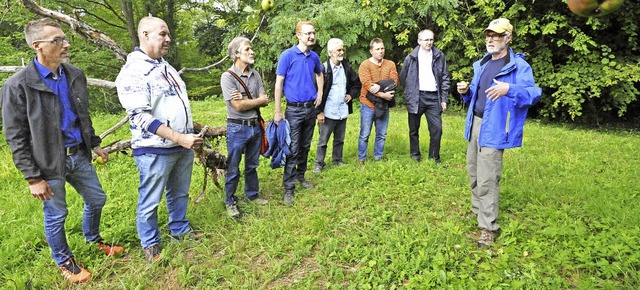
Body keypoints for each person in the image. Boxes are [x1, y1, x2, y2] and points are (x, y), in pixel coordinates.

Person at [1, 18, 124, 283]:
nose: (66, 44)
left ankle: (93, 239)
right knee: (57, 214)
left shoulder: (74, 74)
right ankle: (65, 260)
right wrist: (33, 178)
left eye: (65, 39)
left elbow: (82, 114)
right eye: (57, 40)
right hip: (47, 162)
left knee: (97, 199)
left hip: (78, 154)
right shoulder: (17, 85)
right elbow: (15, 135)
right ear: (37, 46)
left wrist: (94, 143)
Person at [116, 16, 203, 262]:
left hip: (182, 145)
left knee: (179, 193)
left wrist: (186, 136)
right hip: (154, 149)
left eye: (168, 34)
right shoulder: (134, 71)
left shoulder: (166, 66)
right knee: (150, 199)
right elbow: (139, 117)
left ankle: (180, 229)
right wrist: (179, 137)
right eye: (163, 34)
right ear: (144, 35)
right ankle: (150, 243)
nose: (169, 39)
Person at [457, 18, 541, 248]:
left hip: (496, 127)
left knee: (488, 177)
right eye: (488, 35)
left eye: (496, 35)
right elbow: (477, 93)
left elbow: (533, 94)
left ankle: (488, 228)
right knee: (473, 172)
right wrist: (466, 92)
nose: (491, 39)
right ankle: (478, 213)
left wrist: (509, 89)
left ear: (508, 37)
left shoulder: (518, 66)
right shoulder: (482, 64)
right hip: (475, 123)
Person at [273, 21, 323, 206]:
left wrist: (320, 92)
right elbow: (278, 84)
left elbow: (320, 74)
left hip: (310, 108)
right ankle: (289, 187)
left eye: (313, 33)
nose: (311, 36)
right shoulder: (287, 56)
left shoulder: (314, 57)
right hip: (293, 110)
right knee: (293, 149)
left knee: (305, 146)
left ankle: (301, 177)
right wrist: (278, 111)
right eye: (307, 33)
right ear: (298, 35)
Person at [220, 37, 270, 218]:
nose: (252, 52)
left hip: (255, 126)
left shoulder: (255, 75)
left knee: (252, 165)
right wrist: (256, 101)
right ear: (236, 54)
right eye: (247, 49)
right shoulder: (227, 77)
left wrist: (248, 101)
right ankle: (230, 201)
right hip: (237, 128)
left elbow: (265, 100)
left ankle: (252, 195)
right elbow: (238, 106)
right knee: (233, 167)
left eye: (252, 49)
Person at [399, 29, 450, 163]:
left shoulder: (439, 55)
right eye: (426, 40)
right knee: (414, 129)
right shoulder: (411, 57)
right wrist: (410, 93)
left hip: (434, 98)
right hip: (416, 97)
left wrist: (444, 99)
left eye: (431, 39)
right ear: (419, 41)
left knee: (437, 129)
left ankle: (434, 157)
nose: (429, 42)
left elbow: (445, 77)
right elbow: (403, 78)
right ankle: (415, 155)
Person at [313, 38, 361, 173]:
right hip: (327, 111)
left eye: (342, 50)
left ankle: (337, 160)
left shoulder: (346, 66)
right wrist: (319, 112)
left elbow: (357, 83)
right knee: (323, 140)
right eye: (338, 50)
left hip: (342, 110)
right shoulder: (323, 69)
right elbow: (315, 91)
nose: (341, 52)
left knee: (340, 139)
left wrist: (351, 95)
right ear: (330, 52)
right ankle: (319, 163)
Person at [357, 38, 398, 163]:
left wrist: (379, 86)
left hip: (384, 105)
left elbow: (394, 82)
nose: (381, 51)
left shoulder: (390, 64)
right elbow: (367, 85)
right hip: (367, 104)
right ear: (371, 51)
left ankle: (378, 157)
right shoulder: (365, 65)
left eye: (382, 48)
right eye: (377, 49)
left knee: (381, 134)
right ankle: (361, 159)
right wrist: (383, 94)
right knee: (365, 134)